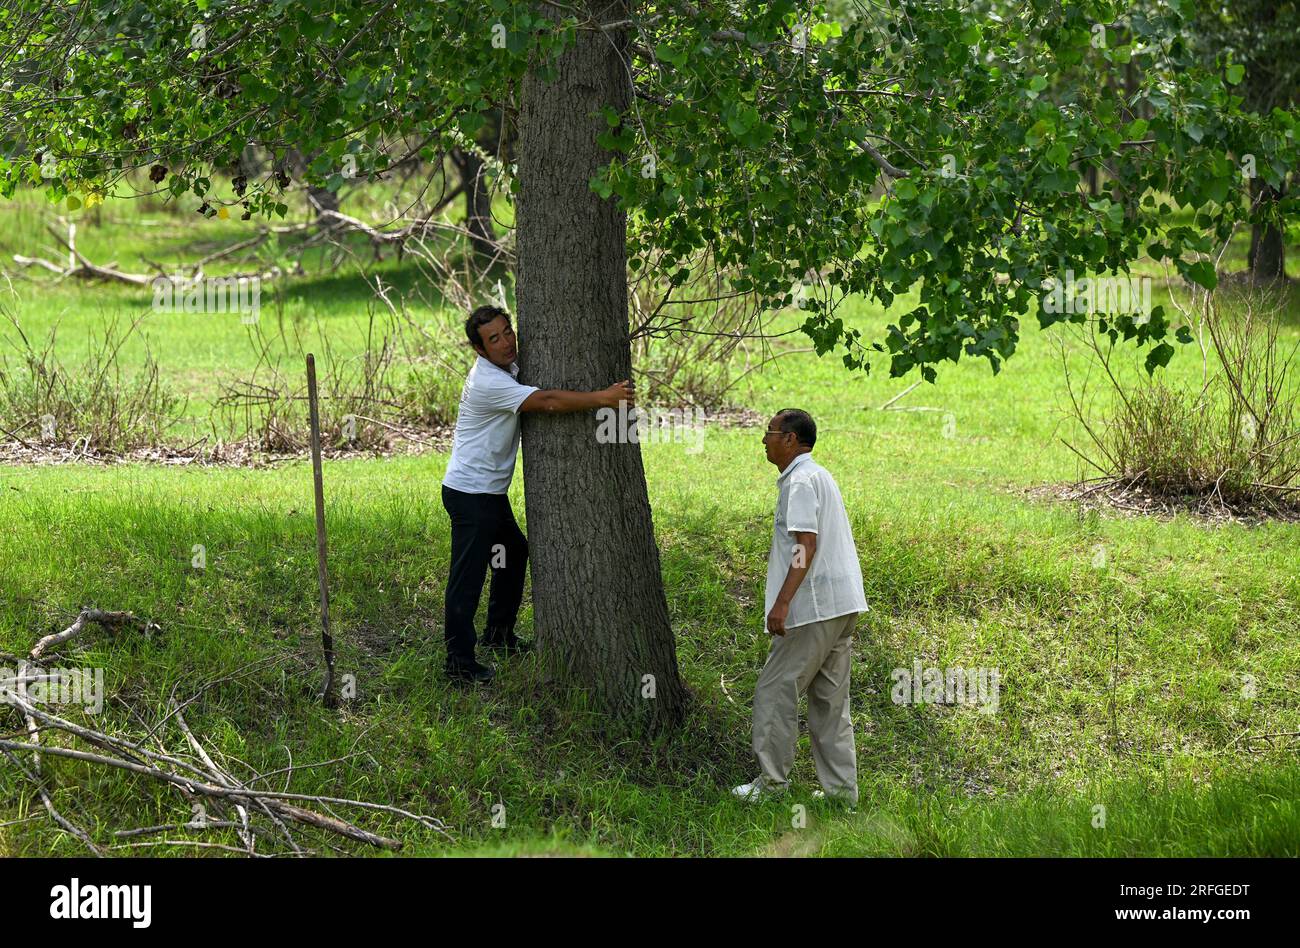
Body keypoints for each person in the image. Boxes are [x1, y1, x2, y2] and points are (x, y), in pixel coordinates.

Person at [441, 304, 634, 683]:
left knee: (512, 552)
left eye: (507, 331)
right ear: (480, 350)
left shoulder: (505, 369)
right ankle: (458, 663)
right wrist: (602, 398)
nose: (506, 342)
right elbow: (546, 402)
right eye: (493, 339)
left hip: (488, 493)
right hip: (470, 493)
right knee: (467, 577)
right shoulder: (488, 381)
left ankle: (498, 634)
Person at [733, 409, 868, 804]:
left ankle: (771, 785)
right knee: (829, 702)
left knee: (775, 689)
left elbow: (803, 547)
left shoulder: (799, 482)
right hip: (843, 604)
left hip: (813, 606)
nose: (764, 440)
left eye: (770, 432)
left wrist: (783, 602)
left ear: (791, 440)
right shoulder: (820, 475)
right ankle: (841, 794)